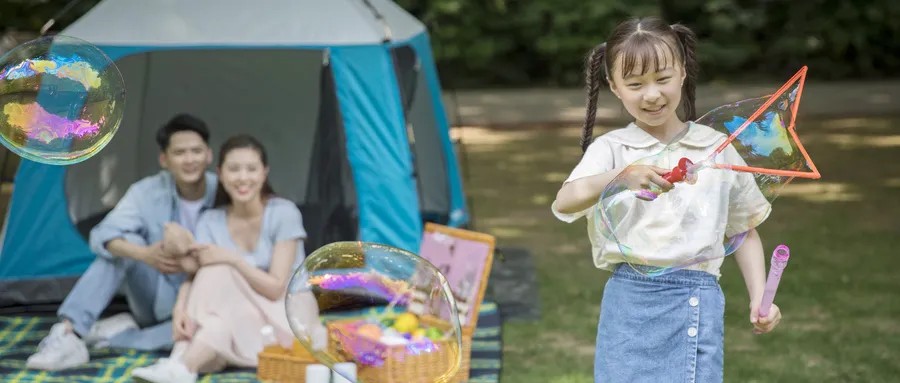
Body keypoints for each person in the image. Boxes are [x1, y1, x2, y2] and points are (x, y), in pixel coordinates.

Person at [550, 17, 784, 383]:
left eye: (662, 79)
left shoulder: (715, 148)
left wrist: (759, 297)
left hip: (698, 300)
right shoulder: (613, 149)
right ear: (614, 86)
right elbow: (566, 200)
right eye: (635, 84)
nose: (652, 94)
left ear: (683, 72)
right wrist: (623, 176)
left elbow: (744, 230)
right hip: (630, 303)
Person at [25, 114, 218, 371]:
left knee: (210, 334)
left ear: (209, 155)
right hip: (156, 293)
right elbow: (101, 235)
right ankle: (70, 332)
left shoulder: (225, 192)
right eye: (180, 153)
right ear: (164, 160)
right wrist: (145, 254)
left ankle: (116, 335)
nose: (190, 160)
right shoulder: (147, 191)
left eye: (196, 151)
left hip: (204, 303)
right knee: (124, 243)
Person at [129, 134, 325, 383]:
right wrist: (181, 308)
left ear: (264, 172)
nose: (243, 178)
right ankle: (182, 368)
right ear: (220, 174)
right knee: (216, 321)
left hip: (287, 314)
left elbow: (276, 288)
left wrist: (232, 259)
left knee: (218, 270)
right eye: (234, 169)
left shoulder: (283, 213)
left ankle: (179, 364)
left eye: (251, 169)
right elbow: (195, 274)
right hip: (242, 317)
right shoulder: (211, 220)